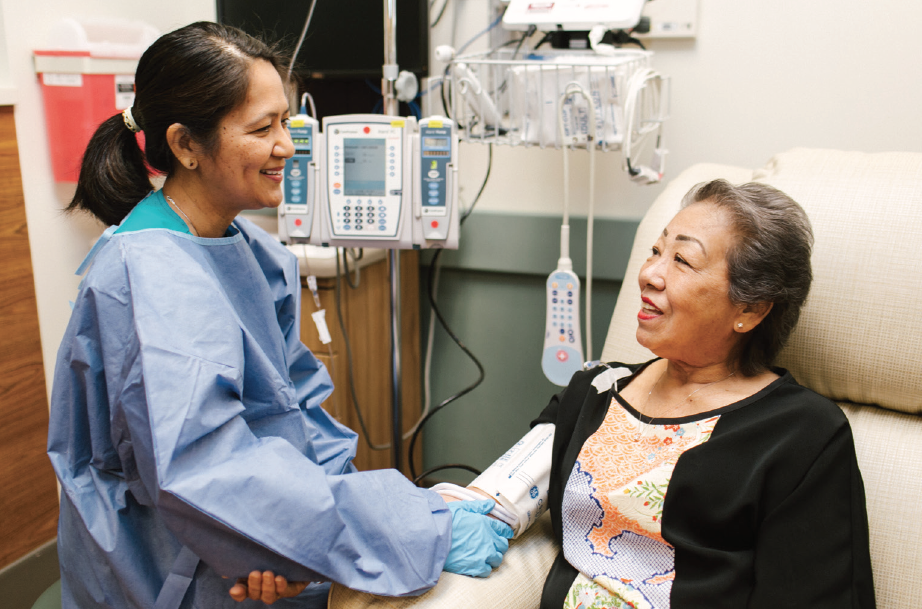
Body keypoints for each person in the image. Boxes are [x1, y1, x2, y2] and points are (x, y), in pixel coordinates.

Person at [47, 21, 512, 609]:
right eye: (261, 128)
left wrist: (314, 539)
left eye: (285, 121)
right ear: (187, 145)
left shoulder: (252, 254)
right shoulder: (151, 278)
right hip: (169, 562)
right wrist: (414, 532)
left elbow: (297, 414)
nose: (287, 145)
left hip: (254, 529)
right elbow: (205, 473)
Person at [267, 179, 874, 608]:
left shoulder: (800, 436)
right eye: (656, 248)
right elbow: (491, 503)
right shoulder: (598, 387)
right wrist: (313, 554)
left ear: (751, 309)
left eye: (682, 261)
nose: (650, 271)